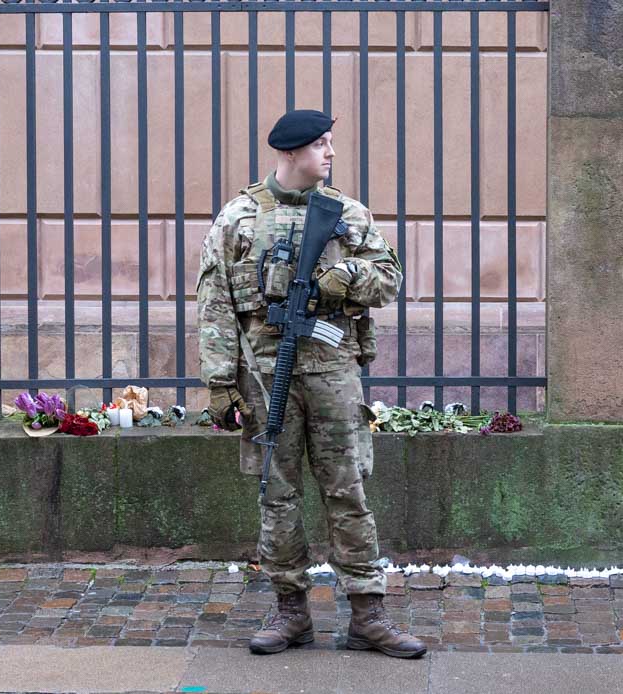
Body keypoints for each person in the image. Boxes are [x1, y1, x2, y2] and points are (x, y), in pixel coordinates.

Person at [197, 109, 425, 659]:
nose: (330, 154)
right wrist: (221, 384)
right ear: (291, 152)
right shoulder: (239, 219)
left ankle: (369, 613)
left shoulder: (348, 214)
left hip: (332, 369)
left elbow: (389, 279)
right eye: (320, 145)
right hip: (264, 375)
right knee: (277, 495)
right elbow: (216, 305)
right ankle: (291, 611)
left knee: (347, 490)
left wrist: (342, 277)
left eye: (330, 144)